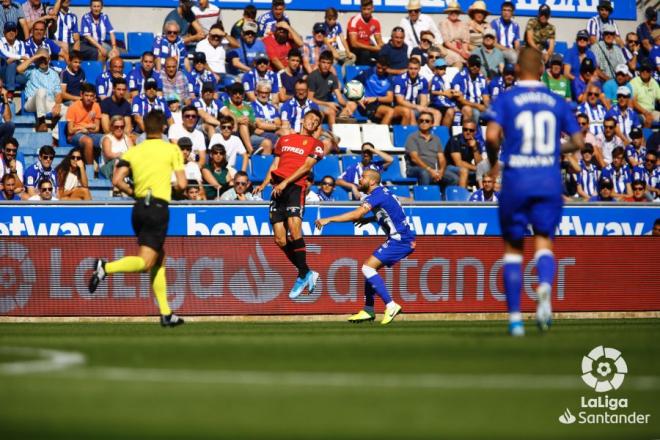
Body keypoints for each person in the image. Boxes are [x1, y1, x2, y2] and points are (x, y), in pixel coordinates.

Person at [484, 46, 584, 336]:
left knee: (514, 249)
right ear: (542, 69)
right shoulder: (557, 100)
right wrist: (553, 148)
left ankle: (515, 320)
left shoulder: (507, 98)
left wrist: (493, 163)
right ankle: (544, 288)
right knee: (543, 240)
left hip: (516, 179)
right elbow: (578, 141)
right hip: (548, 180)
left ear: (517, 70)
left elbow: (491, 135)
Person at [88, 110, 187, 327]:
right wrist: (167, 188)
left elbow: (116, 179)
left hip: (139, 208)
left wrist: (136, 192)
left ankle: (166, 313)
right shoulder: (172, 149)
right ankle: (106, 267)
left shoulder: (135, 150)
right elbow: (182, 184)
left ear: (145, 127)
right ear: (162, 128)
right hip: (157, 208)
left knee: (158, 258)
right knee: (145, 262)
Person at [315, 169, 412, 325]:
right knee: (369, 270)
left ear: (372, 181)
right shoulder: (384, 193)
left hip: (400, 240)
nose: (359, 179)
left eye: (363, 177)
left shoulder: (376, 196)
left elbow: (356, 214)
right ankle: (368, 309)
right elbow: (390, 212)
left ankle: (391, 305)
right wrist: (370, 220)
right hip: (401, 239)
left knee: (367, 268)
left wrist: (329, 219)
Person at [254, 109, 324, 299]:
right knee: (280, 239)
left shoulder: (317, 144)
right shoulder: (284, 140)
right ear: (303, 120)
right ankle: (306, 271)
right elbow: (275, 165)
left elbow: (306, 167)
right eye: (311, 118)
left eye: (317, 121)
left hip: (295, 188)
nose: (313, 122)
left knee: (295, 231)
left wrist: (286, 182)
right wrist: (263, 184)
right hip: (277, 189)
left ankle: (302, 274)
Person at [18, 49, 65, 133]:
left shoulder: (54, 74)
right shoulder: (32, 70)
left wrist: (58, 104)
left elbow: (58, 93)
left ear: (49, 59)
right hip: (32, 103)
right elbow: (19, 69)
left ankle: (55, 135)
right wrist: (36, 56)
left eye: (45, 58)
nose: (42, 61)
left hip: (48, 103)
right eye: (40, 58)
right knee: (41, 91)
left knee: (69, 111)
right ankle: (41, 121)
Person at [405, 111, 447, 186]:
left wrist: (441, 171)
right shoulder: (412, 137)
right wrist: (430, 170)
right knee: (424, 173)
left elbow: (441, 158)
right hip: (414, 169)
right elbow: (415, 158)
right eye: (421, 121)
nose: (424, 123)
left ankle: (445, 197)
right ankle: (424, 196)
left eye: (427, 121)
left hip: (433, 169)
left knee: (453, 177)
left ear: (432, 124)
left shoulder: (436, 139)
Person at [394, 57, 439, 126]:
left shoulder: (423, 80)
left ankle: (434, 135)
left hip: (416, 107)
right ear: (407, 68)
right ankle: (413, 135)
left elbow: (423, 101)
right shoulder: (400, 79)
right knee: (410, 112)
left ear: (419, 69)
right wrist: (416, 107)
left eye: (415, 69)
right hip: (401, 107)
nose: (413, 71)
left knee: (437, 113)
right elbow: (400, 101)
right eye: (411, 68)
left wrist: (422, 109)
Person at [307, 50, 346, 126]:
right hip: (312, 104)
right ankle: (333, 134)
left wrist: (347, 105)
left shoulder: (332, 77)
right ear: (319, 62)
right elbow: (310, 98)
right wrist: (328, 104)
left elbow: (340, 98)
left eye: (328, 63)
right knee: (330, 111)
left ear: (331, 64)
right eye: (323, 62)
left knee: (347, 109)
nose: (325, 65)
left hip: (325, 105)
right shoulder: (313, 76)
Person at [67, 83, 102, 165]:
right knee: (88, 141)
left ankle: (104, 167)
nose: (89, 98)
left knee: (107, 139)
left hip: (89, 133)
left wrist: (85, 128)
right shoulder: (73, 107)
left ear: (94, 96)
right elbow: (70, 130)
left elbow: (97, 128)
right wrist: (87, 127)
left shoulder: (96, 106)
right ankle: (90, 170)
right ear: (81, 95)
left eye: (91, 96)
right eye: (86, 95)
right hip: (75, 135)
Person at [445, 118, 483, 188]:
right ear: (462, 130)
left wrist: (475, 148)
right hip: (449, 167)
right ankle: (462, 197)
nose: (468, 132)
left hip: (466, 167)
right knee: (464, 171)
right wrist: (476, 168)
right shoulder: (455, 140)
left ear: (475, 132)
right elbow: (458, 163)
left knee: (485, 173)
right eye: (465, 129)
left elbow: (480, 163)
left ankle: (482, 195)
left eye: (471, 130)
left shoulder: (476, 143)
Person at [451, 54, 489, 124]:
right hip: (463, 106)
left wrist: (488, 107)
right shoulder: (459, 77)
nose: (475, 67)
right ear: (468, 64)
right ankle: (473, 134)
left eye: (477, 65)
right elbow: (460, 99)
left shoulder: (482, 78)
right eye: (472, 64)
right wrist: (478, 106)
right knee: (474, 112)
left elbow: (485, 97)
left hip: (478, 106)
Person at [346, 0, 383, 65]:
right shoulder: (354, 21)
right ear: (360, 8)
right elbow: (353, 43)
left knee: (384, 54)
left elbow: (379, 42)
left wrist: (389, 47)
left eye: (368, 9)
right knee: (365, 53)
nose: (366, 12)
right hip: (355, 50)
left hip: (368, 48)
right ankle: (363, 73)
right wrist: (373, 48)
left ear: (373, 8)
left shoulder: (375, 22)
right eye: (364, 9)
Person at [100, 114, 133, 179]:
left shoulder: (127, 139)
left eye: (122, 126)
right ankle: (117, 182)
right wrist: (120, 155)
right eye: (116, 127)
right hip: (109, 166)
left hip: (124, 165)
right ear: (111, 127)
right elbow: (108, 155)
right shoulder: (107, 139)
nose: (119, 129)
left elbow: (132, 154)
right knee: (117, 161)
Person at [0, 21, 28, 98]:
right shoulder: (1, 42)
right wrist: (19, 57)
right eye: (8, 30)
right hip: (2, 72)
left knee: (29, 77)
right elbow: (5, 54)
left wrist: (14, 59)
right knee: (11, 64)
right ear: (4, 32)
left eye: (13, 30)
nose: (11, 32)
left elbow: (23, 61)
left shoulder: (21, 43)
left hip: (16, 73)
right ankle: (10, 91)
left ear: (16, 32)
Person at [429, 58, 460, 126]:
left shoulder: (442, 79)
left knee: (458, 112)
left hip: (444, 99)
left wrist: (452, 91)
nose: (443, 70)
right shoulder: (435, 78)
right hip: (438, 101)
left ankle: (457, 132)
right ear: (436, 69)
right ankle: (445, 132)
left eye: (444, 68)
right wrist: (444, 93)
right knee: (454, 109)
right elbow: (433, 91)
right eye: (441, 68)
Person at [630, 60, 660, 128]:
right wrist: (645, 113)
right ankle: (647, 137)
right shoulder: (634, 82)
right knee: (647, 120)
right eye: (643, 70)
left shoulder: (654, 82)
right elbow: (633, 102)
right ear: (639, 72)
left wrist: (649, 113)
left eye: (647, 71)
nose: (645, 72)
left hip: (652, 112)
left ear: (651, 72)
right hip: (639, 112)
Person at [439, 1, 470, 68]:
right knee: (458, 60)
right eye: (451, 11)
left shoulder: (463, 24)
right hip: (449, 49)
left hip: (462, 49)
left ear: (459, 13)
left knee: (472, 59)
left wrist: (464, 51)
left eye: (456, 11)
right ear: (448, 12)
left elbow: (465, 41)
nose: (454, 13)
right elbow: (447, 43)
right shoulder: (444, 23)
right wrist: (460, 52)